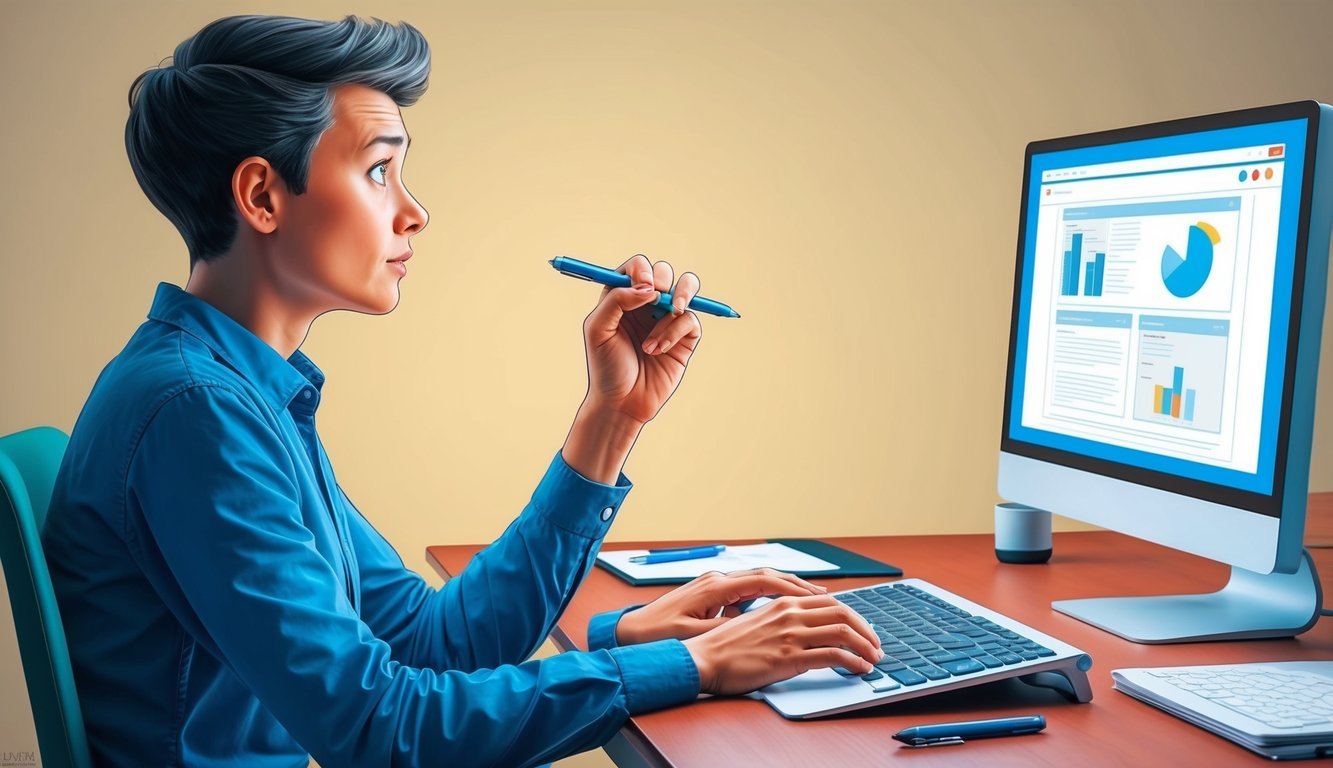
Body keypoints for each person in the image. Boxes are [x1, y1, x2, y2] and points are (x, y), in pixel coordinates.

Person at [42, 14, 881, 767]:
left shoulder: (243, 393)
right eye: (378, 171)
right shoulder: (198, 411)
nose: (414, 213)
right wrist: (689, 666)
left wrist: (610, 422)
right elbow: (376, 728)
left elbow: (426, 639)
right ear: (263, 195)